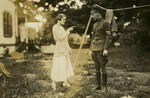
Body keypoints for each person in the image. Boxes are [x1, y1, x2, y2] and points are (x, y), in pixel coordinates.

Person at [89, 7, 111, 91]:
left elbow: (109, 37)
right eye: (92, 14)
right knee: (96, 68)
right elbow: (93, 37)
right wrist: (91, 49)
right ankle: (98, 85)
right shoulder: (94, 25)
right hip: (94, 48)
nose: (92, 16)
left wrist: (106, 48)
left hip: (101, 48)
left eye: (93, 14)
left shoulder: (105, 23)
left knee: (103, 68)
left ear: (98, 14)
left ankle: (104, 87)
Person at [51, 13, 74, 90]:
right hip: (59, 49)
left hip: (64, 49)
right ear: (59, 19)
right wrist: (68, 31)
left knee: (65, 65)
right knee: (57, 65)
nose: (64, 21)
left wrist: (68, 47)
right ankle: (53, 82)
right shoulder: (55, 27)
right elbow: (61, 38)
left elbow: (65, 40)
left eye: (65, 19)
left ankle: (65, 82)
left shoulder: (61, 28)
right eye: (63, 19)